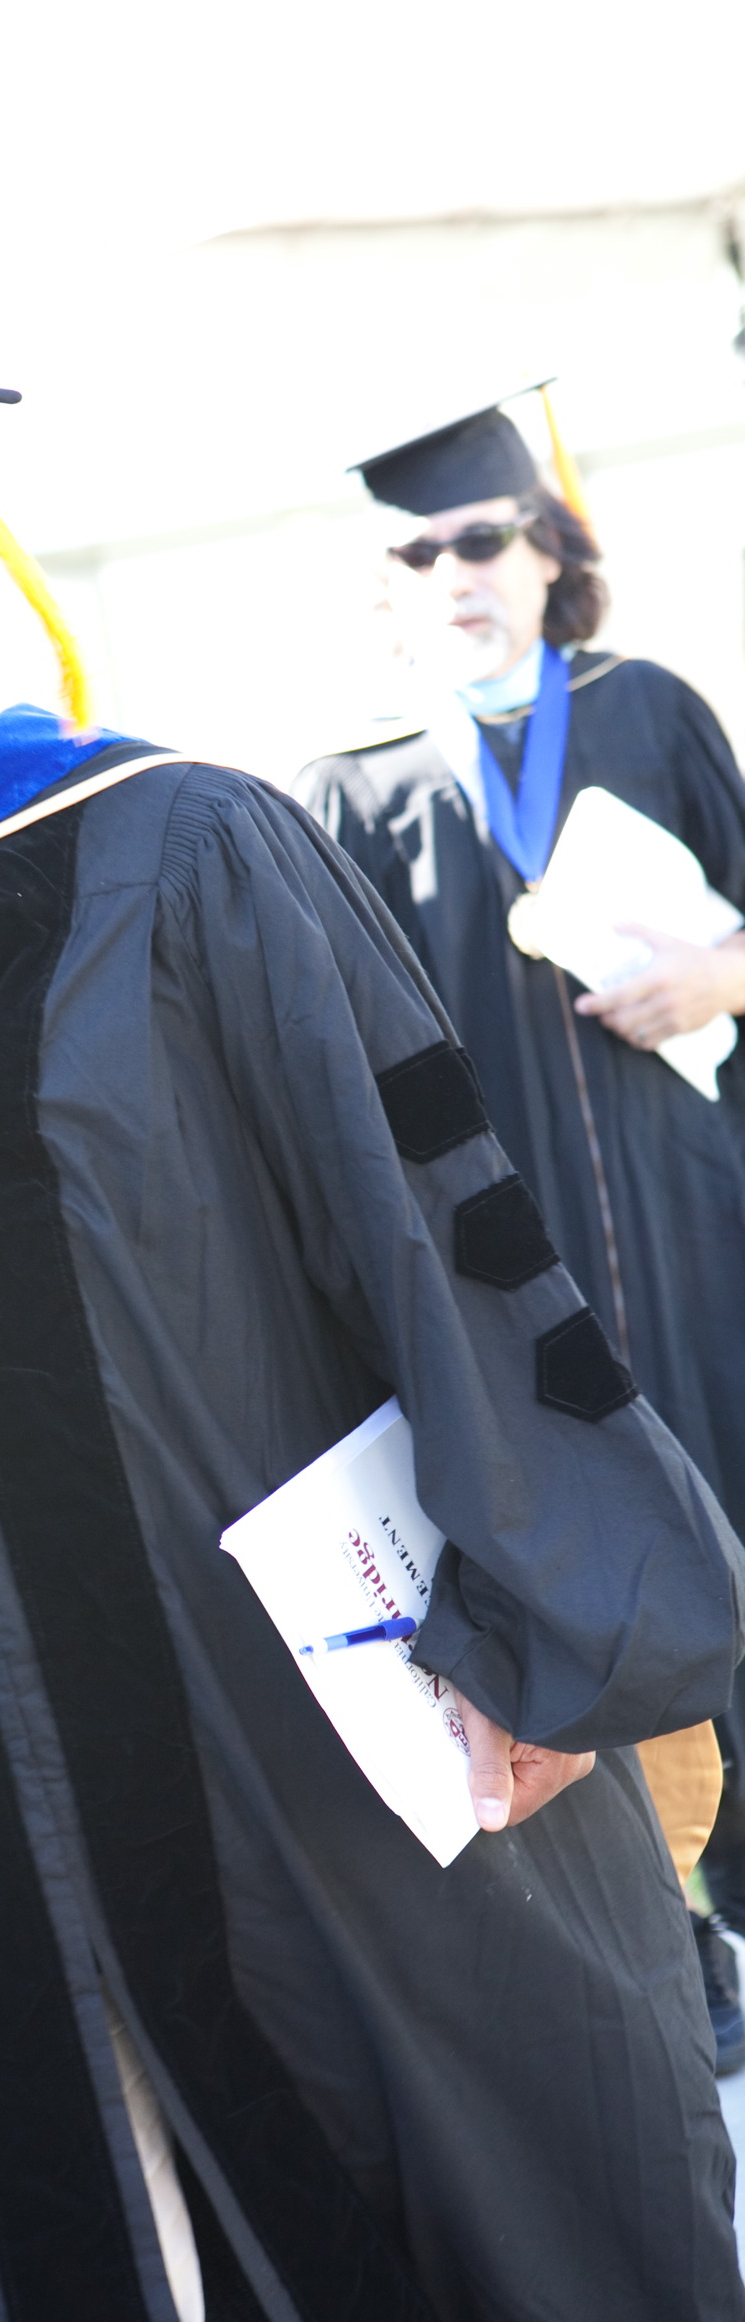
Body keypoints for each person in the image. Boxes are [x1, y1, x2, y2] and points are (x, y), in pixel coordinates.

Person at [0, 366, 745, 2322]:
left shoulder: (183, 854)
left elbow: (436, 1237)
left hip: (304, 1721)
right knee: (65, 2266)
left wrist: (542, 1618)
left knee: (484, 2226)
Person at [294, 390, 745, 2072]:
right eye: (414, 555)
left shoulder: (650, 713)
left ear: (553, 556)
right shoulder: (354, 789)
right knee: (589, 1594)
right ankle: (677, 1954)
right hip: (512, 1287)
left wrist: (723, 975)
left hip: (704, 1234)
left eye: (481, 539)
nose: (454, 574)